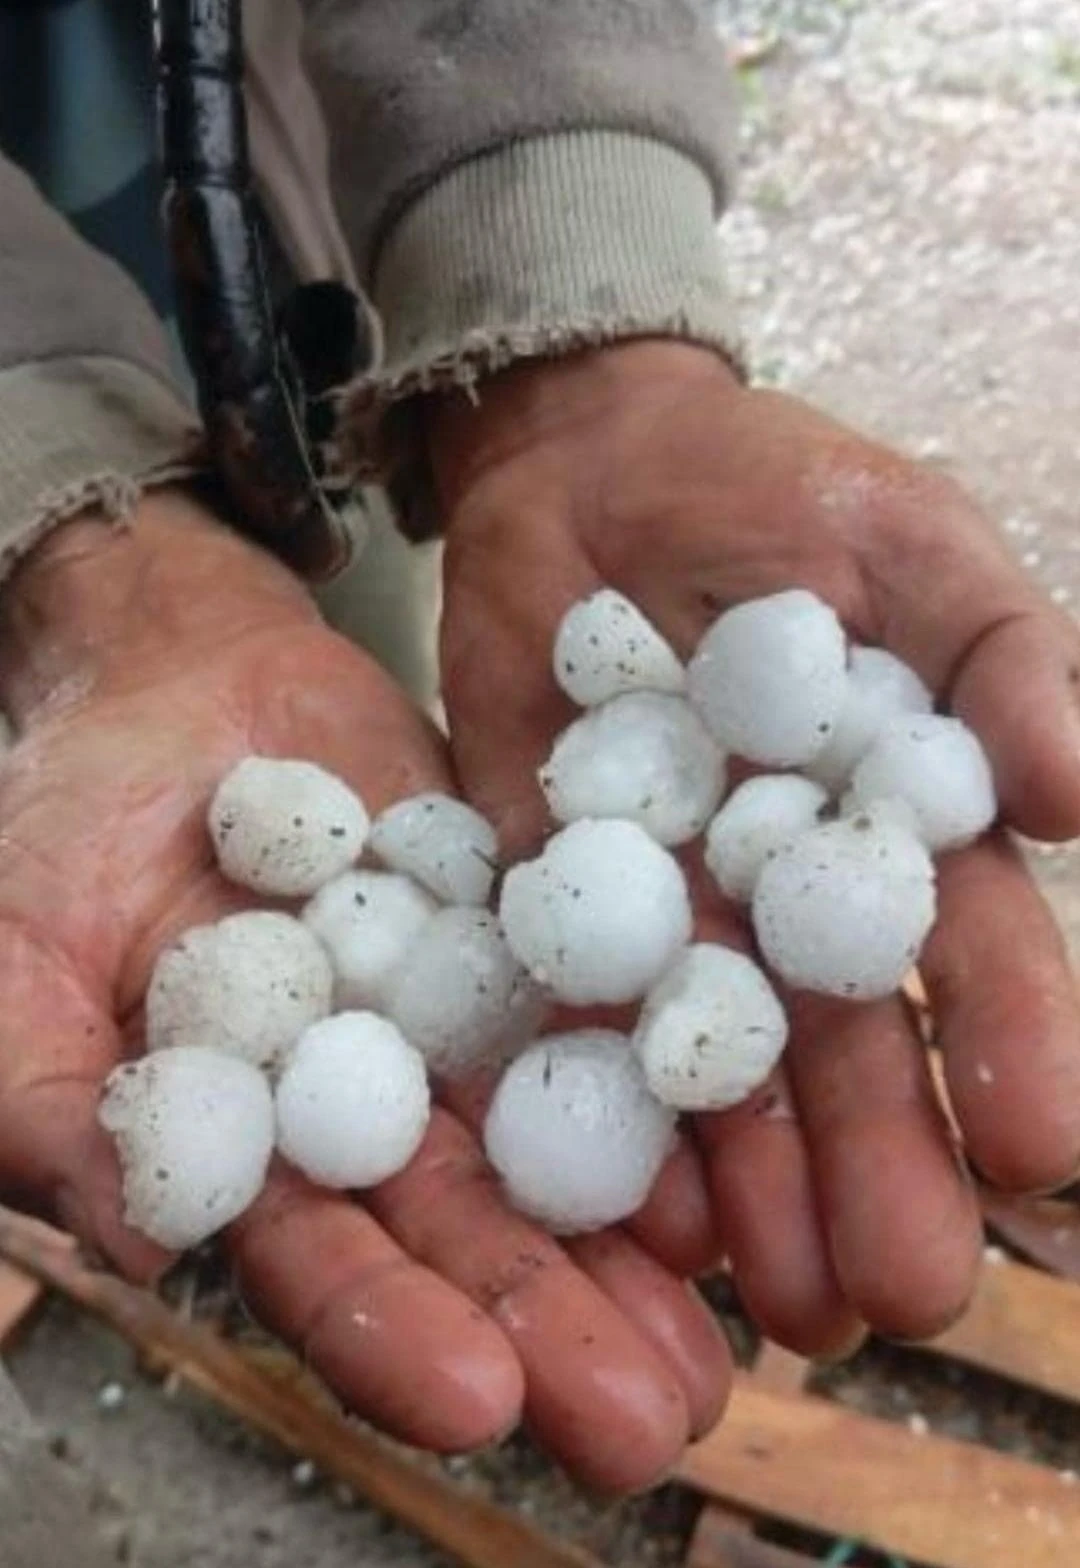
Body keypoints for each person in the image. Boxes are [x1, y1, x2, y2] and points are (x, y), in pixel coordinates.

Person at [0, 0, 1077, 1497]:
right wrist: (41, 473)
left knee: (351, 603)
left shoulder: (704, 800)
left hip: (260, 166)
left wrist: (568, 286)